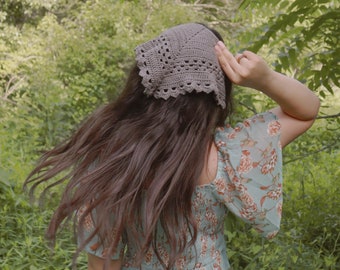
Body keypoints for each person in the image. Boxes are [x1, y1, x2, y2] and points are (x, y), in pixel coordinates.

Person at [25, 23, 320, 269]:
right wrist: (265, 79)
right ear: (216, 92)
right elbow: (306, 110)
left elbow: (103, 263)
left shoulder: (113, 159)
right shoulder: (228, 152)